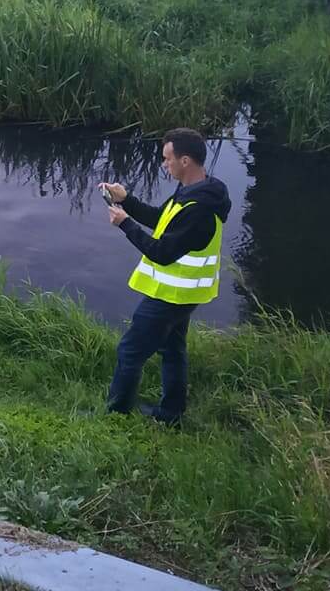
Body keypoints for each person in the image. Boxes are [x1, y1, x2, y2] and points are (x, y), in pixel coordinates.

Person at [99, 128, 231, 426]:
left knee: (130, 350)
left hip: (171, 296)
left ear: (185, 160)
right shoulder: (199, 189)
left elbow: (160, 251)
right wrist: (126, 200)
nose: (164, 164)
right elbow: (161, 219)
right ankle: (171, 414)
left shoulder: (199, 209)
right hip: (182, 294)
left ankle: (116, 416)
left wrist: (124, 224)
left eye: (167, 159)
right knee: (172, 349)